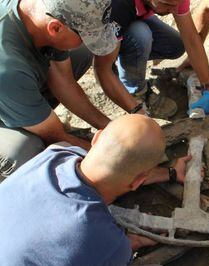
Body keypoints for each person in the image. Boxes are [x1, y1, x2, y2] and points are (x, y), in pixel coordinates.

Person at [0, 114, 192, 266]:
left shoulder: (55, 154)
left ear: (96, 138)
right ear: (137, 182)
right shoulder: (106, 240)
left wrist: (169, 173)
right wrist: (134, 242)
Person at [0, 0, 121, 181]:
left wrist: (110, 128)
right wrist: (116, 157)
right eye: (84, 35)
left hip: (14, 88)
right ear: (55, 28)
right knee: (24, 149)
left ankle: (30, 112)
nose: (88, 40)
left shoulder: (44, 12)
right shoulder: (9, 68)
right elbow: (55, 135)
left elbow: (64, 81)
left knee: (81, 53)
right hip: (8, 86)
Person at [94, 0, 209, 119]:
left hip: (132, 15)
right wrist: (136, 110)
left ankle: (127, 55)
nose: (174, 10)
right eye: (167, 4)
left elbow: (191, 39)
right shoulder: (118, 7)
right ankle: (137, 93)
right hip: (103, 28)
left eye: (176, 5)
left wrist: (208, 85)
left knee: (175, 45)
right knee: (141, 35)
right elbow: (102, 69)